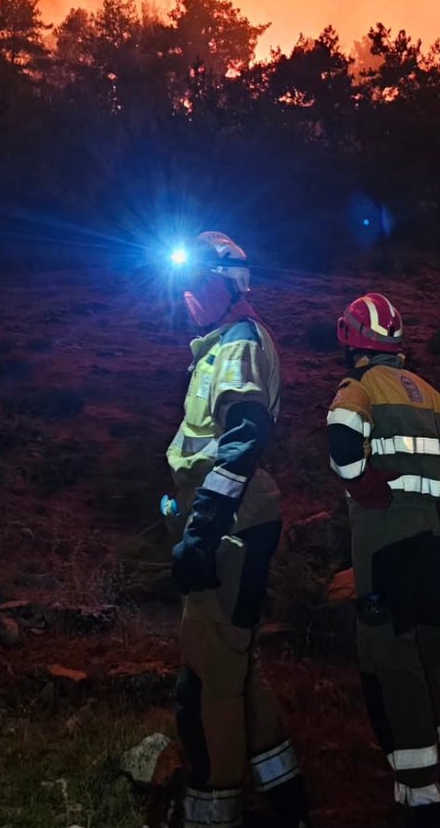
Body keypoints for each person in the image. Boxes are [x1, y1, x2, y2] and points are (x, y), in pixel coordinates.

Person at [164, 231, 309, 828]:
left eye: (196, 284)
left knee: (208, 676)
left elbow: (243, 440)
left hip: (232, 526)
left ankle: (214, 807)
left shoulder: (240, 345)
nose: (187, 297)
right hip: (235, 522)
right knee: (236, 662)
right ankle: (284, 794)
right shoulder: (219, 346)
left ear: (226, 286)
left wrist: (201, 529)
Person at [326, 292, 440, 828]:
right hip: (430, 538)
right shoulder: (426, 390)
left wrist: (366, 486)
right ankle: (432, 768)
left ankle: (420, 793)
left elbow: (342, 442)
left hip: (384, 542)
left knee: (389, 660)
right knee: (425, 651)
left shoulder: (358, 388)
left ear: (350, 340)